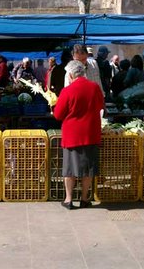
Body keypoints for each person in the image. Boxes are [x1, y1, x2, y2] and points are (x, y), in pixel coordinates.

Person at [52, 61, 104, 210]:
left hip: (72, 135)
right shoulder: (94, 87)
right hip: (91, 133)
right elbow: (101, 106)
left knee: (69, 169)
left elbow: (58, 114)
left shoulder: (67, 91)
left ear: (70, 74)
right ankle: (84, 198)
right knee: (88, 169)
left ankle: (68, 199)